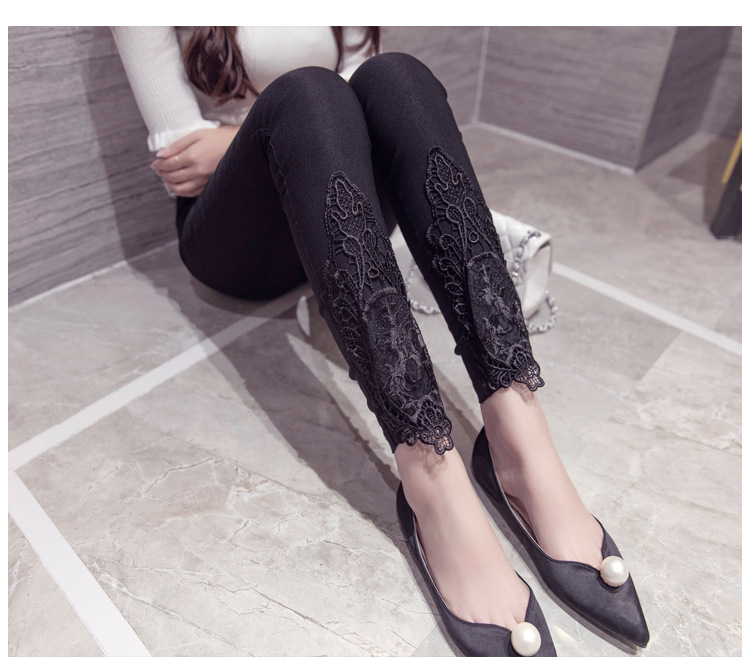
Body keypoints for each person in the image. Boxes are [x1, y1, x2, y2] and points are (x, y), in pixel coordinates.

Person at [112, 26, 649, 657]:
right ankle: (432, 480)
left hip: (335, 182)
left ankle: (519, 434)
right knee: (307, 95)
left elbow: (361, 92)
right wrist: (279, 126)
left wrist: (284, 129)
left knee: (398, 78)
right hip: (236, 233)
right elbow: (181, 158)